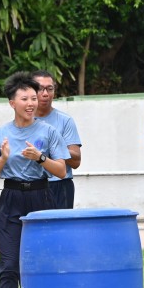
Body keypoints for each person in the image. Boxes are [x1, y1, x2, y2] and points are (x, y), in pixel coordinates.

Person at [0, 72, 70, 288]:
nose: (32, 102)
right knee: (9, 265)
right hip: (10, 199)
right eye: (25, 98)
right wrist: (3, 158)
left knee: (41, 264)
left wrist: (41, 158)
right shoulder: (0, 135)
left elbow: (62, 169)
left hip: (41, 198)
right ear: (12, 103)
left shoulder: (48, 131)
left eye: (34, 98)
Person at [33, 70, 82, 209]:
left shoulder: (65, 121)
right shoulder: (22, 122)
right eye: (40, 89)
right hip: (31, 186)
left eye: (49, 89)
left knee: (62, 229)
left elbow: (76, 160)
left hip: (60, 185)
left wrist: (52, 148)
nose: (45, 94)